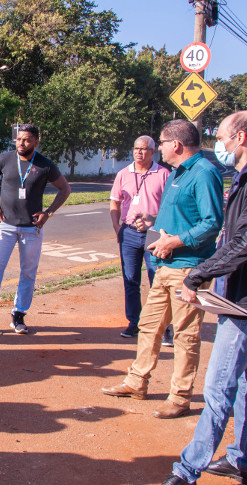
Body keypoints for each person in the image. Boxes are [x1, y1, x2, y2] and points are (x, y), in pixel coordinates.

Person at [162, 111, 247, 485]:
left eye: (220, 135)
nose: (217, 142)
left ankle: (187, 471)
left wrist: (201, 273)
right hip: (241, 292)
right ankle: (243, 461)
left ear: (240, 136)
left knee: (219, 386)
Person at [102, 119, 223, 419]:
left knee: (185, 335)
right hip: (165, 263)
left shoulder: (205, 174)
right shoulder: (177, 173)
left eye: (163, 143)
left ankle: (180, 397)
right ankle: (137, 382)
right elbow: (179, 215)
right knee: (148, 325)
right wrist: (152, 219)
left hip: (190, 269)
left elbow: (212, 223)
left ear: (177, 145)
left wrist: (176, 241)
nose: (160, 148)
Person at [0, 124, 71, 335]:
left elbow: (65, 189)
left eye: (26, 140)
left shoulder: (45, 165)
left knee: (28, 272)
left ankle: (18, 315)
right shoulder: (4, 159)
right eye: (18, 139)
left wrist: (48, 212)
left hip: (31, 228)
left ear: (36, 141)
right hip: (4, 226)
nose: (21, 143)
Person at [110, 135, 173, 343]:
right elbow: (115, 203)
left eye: (144, 149)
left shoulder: (164, 174)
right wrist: (117, 228)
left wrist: (152, 221)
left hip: (155, 233)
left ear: (153, 152)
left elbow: (170, 207)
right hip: (128, 233)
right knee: (131, 281)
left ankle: (163, 327)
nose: (139, 152)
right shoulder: (123, 174)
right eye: (136, 148)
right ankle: (133, 323)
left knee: (158, 281)